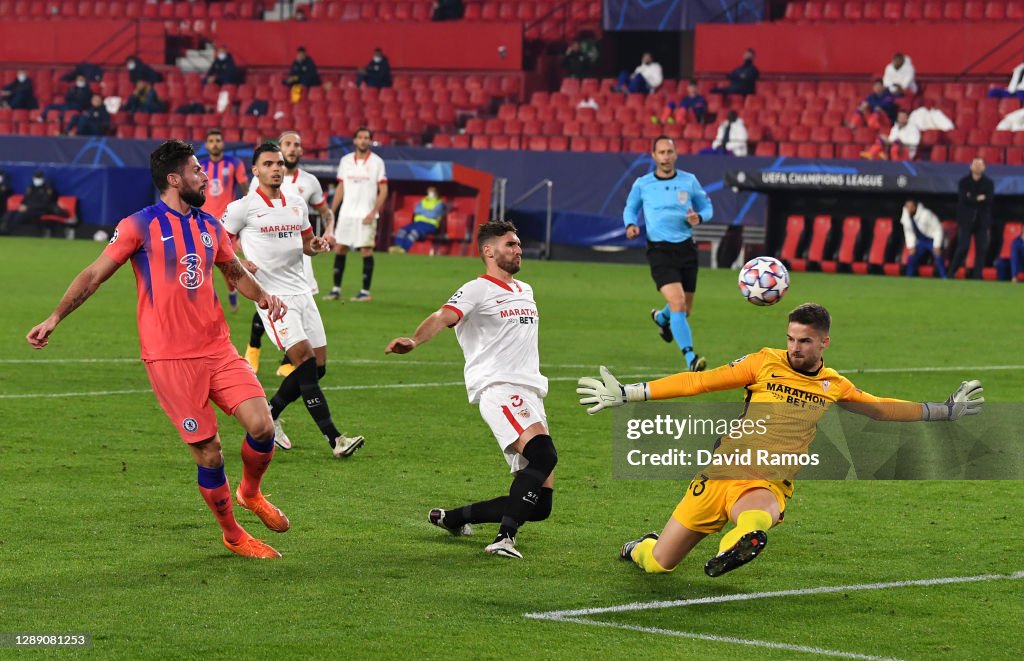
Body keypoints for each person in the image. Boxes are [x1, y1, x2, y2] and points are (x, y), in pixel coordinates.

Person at [576, 303, 984, 577]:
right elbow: (699, 381)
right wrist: (632, 393)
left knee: (756, 515)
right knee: (660, 564)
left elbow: (878, 408)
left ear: (824, 342)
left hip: (767, 479)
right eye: (791, 338)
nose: (795, 348)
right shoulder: (763, 362)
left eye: (804, 341)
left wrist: (945, 410)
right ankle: (639, 548)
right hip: (719, 474)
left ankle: (734, 549)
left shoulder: (833, 384)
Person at [26, 139, 291, 559]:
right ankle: (233, 534)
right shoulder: (138, 225)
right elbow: (94, 274)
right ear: (174, 179)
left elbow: (230, 268)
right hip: (169, 358)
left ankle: (250, 492)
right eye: (196, 170)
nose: (205, 175)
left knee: (262, 426)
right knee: (209, 451)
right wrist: (55, 317)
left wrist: (262, 296)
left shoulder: (209, 226)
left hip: (217, 348)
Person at [385, 221, 558, 560]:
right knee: (544, 455)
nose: (518, 249)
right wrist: (414, 339)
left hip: (531, 394)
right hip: (500, 388)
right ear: (488, 251)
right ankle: (504, 538)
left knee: (539, 505)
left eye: (519, 244)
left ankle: (451, 518)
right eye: (510, 244)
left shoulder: (526, 290)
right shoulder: (477, 289)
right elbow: (443, 315)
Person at [223, 144, 364, 459]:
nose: (276, 168)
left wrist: (315, 244)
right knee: (304, 361)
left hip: (303, 293)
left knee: (318, 367)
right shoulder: (241, 208)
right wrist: (241, 265)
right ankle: (336, 440)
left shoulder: (298, 204)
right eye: (268, 163)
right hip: (273, 298)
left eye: (279, 163)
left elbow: (305, 244)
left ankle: (270, 413)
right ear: (255, 171)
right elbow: (220, 247)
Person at [243, 130, 335, 379]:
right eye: (288, 144)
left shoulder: (310, 182)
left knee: (300, 309)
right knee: (269, 302)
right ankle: (253, 348)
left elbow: (326, 212)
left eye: (297, 145)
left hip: (299, 259)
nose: (293, 148)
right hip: (269, 261)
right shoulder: (261, 180)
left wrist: (328, 232)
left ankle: (291, 359)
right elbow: (247, 218)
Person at [624, 135, 713, 372]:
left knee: (685, 310)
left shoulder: (689, 181)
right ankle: (691, 358)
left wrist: (700, 217)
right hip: (659, 250)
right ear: (653, 156)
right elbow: (630, 207)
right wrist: (631, 224)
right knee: (678, 302)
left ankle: (662, 319)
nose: (665, 157)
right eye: (661, 152)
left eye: (669, 152)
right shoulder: (643, 184)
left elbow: (707, 207)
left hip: (686, 249)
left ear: (675, 154)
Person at [324, 127, 388, 302]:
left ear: (369, 141)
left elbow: (383, 190)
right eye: (360, 137)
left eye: (366, 138)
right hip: (347, 214)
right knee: (340, 248)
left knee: (366, 250)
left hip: (366, 215)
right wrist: (331, 210)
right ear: (354, 141)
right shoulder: (345, 161)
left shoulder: (377, 162)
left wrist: (374, 211)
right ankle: (336, 289)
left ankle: (365, 292)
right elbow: (341, 187)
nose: (363, 140)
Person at [199, 129, 250, 311]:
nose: (214, 143)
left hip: (228, 224)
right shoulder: (200, 166)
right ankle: (208, 303)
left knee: (228, 264)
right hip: (204, 223)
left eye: (218, 140)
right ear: (207, 145)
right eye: (211, 140)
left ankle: (232, 291)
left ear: (222, 143)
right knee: (205, 265)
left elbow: (245, 190)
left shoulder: (234, 163)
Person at [948, 157, 995, 280]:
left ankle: (977, 277)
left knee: (981, 250)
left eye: (980, 165)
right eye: (975, 164)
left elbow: (989, 200)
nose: (977, 167)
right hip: (966, 220)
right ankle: (951, 273)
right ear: (970, 166)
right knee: (963, 247)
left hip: (982, 221)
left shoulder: (989, 183)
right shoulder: (964, 182)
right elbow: (964, 199)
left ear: (984, 167)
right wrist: (978, 198)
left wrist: (972, 198)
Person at [0, 170, 69, 235]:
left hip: (39, 210)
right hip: (28, 208)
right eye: (36, 177)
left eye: (39, 177)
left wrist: (28, 207)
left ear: (42, 178)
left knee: (20, 215)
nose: (37, 180)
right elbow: (25, 199)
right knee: (10, 212)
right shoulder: (31, 188)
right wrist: (22, 205)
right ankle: (2, 227)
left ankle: (8, 230)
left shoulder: (47, 189)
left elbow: (45, 203)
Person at [390, 186, 446, 253]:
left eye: (432, 192)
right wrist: (428, 211)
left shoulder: (439, 204)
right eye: (429, 191)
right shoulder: (423, 201)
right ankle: (398, 246)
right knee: (402, 230)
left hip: (431, 225)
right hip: (418, 223)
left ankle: (404, 249)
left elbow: (433, 215)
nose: (430, 193)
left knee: (414, 232)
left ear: (436, 193)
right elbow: (416, 210)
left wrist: (423, 211)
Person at [900, 199, 947, 278]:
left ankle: (944, 277)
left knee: (938, 256)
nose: (908, 208)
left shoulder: (926, 214)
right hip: (921, 242)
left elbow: (938, 229)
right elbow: (908, 232)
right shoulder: (906, 216)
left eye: (910, 206)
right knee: (912, 257)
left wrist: (937, 245)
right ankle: (908, 278)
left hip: (931, 240)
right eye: (907, 206)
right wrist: (911, 246)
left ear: (915, 207)